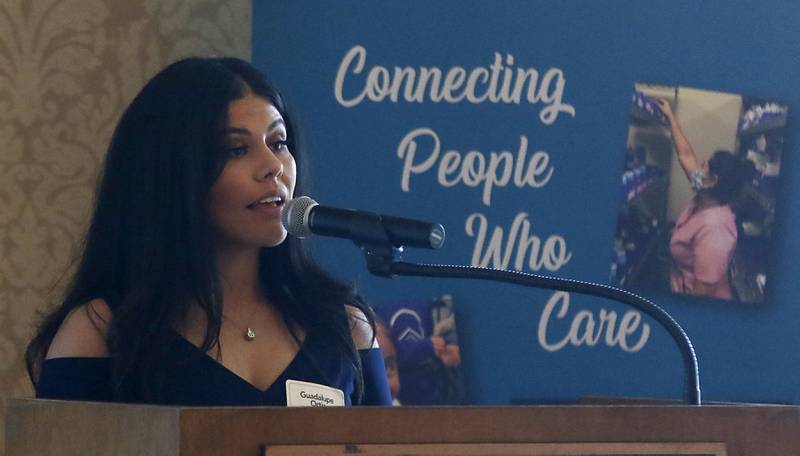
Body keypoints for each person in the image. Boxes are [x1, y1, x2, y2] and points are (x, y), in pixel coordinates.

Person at [25, 57, 392, 406]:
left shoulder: (343, 325)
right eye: (236, 149)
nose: (272, 167)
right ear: (170, 174)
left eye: (278, 143)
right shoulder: (103, 331)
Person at [656, 99, 756, 300]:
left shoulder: (716, 231)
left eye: (703, 166)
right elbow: (685, 155)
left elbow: (701, 295)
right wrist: (670, 117)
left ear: (713, 181)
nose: (697, 169)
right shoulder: (707, 193)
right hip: (678, 282)